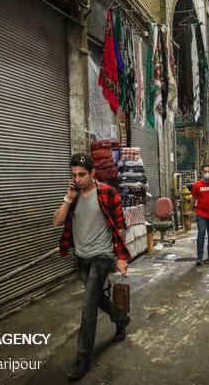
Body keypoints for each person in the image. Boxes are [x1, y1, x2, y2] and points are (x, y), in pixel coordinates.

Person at [53, 153, 131, 380]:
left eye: (82, 175)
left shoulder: (107, 193)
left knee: (88, 307)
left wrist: (120, 257)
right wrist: (68, 198)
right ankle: (121, 319)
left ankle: (83, 358)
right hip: (81, 257)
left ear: (93, 173)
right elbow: (57, 221)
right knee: (96, 298)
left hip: (102, 255)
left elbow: (120, 226)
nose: (77, 179)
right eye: (74, 175)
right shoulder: (73, 196)